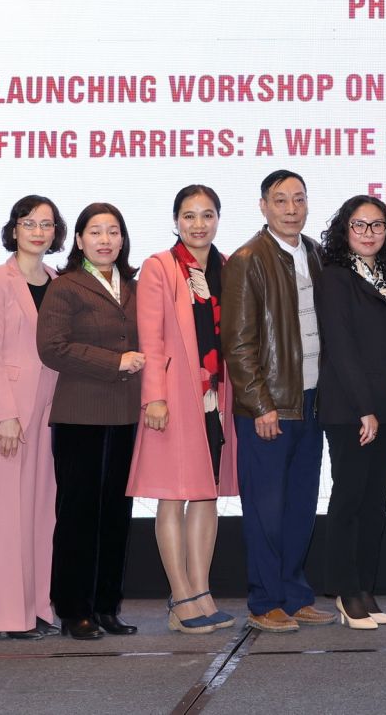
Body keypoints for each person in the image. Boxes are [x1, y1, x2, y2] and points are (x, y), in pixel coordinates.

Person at [221, 170, 334, 634]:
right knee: (266, 509)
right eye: (281, 200)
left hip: (313, 401)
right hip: (270, 408)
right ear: (263, 206)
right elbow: (239, 342)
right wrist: (258, 403)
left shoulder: (316, 253)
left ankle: (294, 593)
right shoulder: (248, 259)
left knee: (300, 506)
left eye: (299, 199)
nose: (291, 209)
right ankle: (265, 599)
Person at [129, 186, 240, 634]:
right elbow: (150, 337)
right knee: (173, 495)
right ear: (175, 220)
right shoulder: (160, 266)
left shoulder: (227, 267)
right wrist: (153, 395)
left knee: (206, 494)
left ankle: (202, 590)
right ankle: (180, 597)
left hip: (215, 398)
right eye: (189, 216)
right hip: (174, 397)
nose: (199, 224)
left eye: (207, 215)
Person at [37, 202, 144, 640]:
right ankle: (73, 608)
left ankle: (106, 606)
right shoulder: (66, 287)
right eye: (95, 232)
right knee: (78, 514)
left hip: (125, 415)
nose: (105, 240)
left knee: (117, 514)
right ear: (78, 240)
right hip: (80, 415)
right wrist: (115, 361)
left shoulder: (137, 287)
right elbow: (52, 348)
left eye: (113, 231)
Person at [0, 195, 64, 639]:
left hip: (49, 412)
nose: (38, 231)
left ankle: (38, 607)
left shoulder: (58, 279)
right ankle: (9, 617)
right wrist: (4, 415)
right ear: (14, 229)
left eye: (46, 224)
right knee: (8, 519)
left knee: (42, 515)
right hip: (6, 414)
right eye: (29, 222)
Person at [316, 195, 386, 630]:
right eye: (359, 225)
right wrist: (365, 410)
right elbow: (341, 348)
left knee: (375, 501)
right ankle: (345, 592)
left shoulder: (385, 276)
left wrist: (383, 406)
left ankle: (365, 589)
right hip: (351, 407)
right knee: (349, 498)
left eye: (377, 225)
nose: (369, 233)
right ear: (344, 230)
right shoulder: (336, 278)